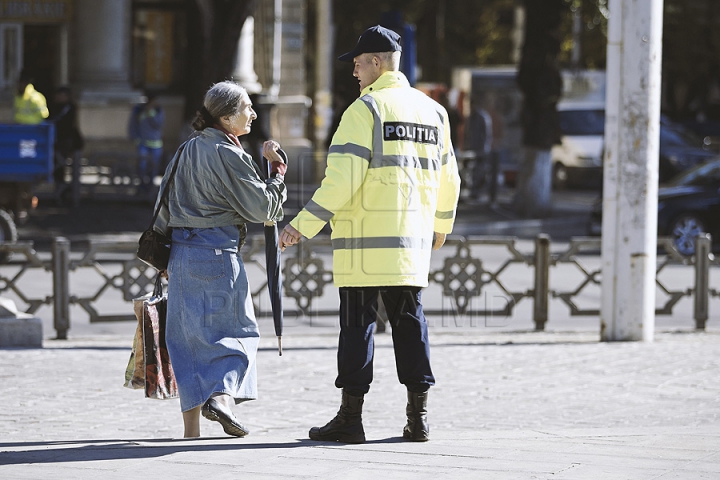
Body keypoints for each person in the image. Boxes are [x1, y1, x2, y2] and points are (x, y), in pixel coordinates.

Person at [279, 25, 461, 443]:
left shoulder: (365, 111)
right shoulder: (433, 112)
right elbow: (449, 178)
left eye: (359, 64)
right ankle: (419, 419)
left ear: (377, 62)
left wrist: (301, 226)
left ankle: (351, 418)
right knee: (411, 325)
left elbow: (340, 183)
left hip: (364, 247)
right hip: (409, 246)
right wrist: (441, 225)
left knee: (357, 328)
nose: (354, 72)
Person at [156, 80, 288, 438]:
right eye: (247, 108)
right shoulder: (230, 154)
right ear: (228, 118)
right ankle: (223, 398)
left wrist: (164, 259)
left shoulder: (186, 149)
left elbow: (162, 205)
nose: (253, 113)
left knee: (187, 342)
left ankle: (191, 431)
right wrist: (277, 173)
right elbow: (263, 209)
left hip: (180, 256)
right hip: (218, 256)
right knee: (237, 333)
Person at [49, 86, 84, 197]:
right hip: (55, 139)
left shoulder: (70, 108)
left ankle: (63, 190)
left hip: (65, 140)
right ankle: (60, 189)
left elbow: (69, 125)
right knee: (56, 165)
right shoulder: (54, 107)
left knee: (61, 165)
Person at [129, 92, 165, 188]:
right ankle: (141, 187)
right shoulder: (139, 110)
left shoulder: (158, 111)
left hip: (156, 145)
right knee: (142, 166)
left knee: (154, 168)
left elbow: (158, 124)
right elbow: (132, 126)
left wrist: (151, 112)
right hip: (143, 144)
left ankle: (150, 188)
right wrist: (136, 139)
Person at [465, 95, 493, 202]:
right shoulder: (471, 117)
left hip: (481, 150)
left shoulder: (483, 117)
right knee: (471, 171)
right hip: (472, 148)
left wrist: (485, 149)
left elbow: (487, 134)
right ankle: (473, 191)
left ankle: (478, 192)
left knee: (480, 171)